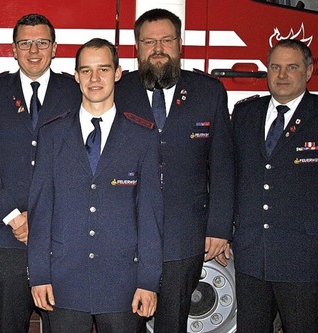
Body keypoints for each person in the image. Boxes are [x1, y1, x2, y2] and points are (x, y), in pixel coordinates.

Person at [28, 38, 163, 333]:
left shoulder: (143, 136)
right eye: (86, 71)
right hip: (64, 278)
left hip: (122, 281)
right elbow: (41, 210)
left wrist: (148, 280)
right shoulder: (52, 135)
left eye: (103, 69)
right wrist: (38, 274)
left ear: (117, 73)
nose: (94, 79)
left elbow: (150, 214)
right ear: (76, 76)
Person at [114, 8, 234, 332]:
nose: (158, 49)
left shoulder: (209, 92)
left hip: (184, 235)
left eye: (166, 40)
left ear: (180, 44)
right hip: (126, 236)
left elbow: (222, 165)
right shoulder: (116, 91)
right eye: (149, 41)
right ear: (136, 47)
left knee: (172, 325)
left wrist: (220, 227)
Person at [0, 13, 81, 333]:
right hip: (7, 235)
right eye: (25, 43)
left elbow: (85, 162)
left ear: (55, 47)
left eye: (42, 42)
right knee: (11, 323)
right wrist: (13, 217)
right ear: (14, 49)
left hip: (63, 234)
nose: (34, 50)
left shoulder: (75, 91)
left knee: (62, 323)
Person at [231, 39, 318, 332]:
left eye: (292, 67)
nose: (282, 75)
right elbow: (232, 175)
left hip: (303, 256)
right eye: (275, 67)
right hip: (251, 255)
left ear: (308, 72)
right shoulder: (244, 114)